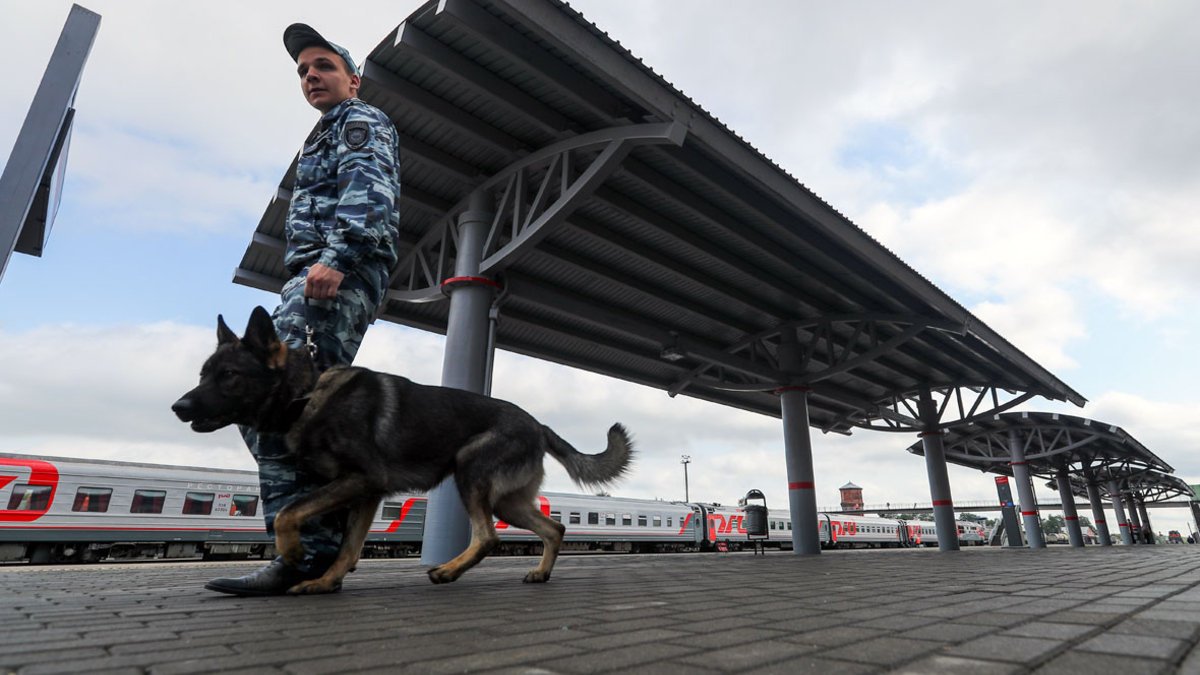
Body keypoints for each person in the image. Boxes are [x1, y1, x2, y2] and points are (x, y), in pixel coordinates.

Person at [205, 23, 401, 596]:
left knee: (270, 403)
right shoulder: (326, 132)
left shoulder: (359, 121)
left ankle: (305, 556)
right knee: (287, 410)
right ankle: (319, 546)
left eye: (323, 66)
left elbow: (371, 192)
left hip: (330, 279)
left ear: (353, 81)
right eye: (302, 72)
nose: (310, 76)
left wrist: (337, 258)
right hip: (314, 281)